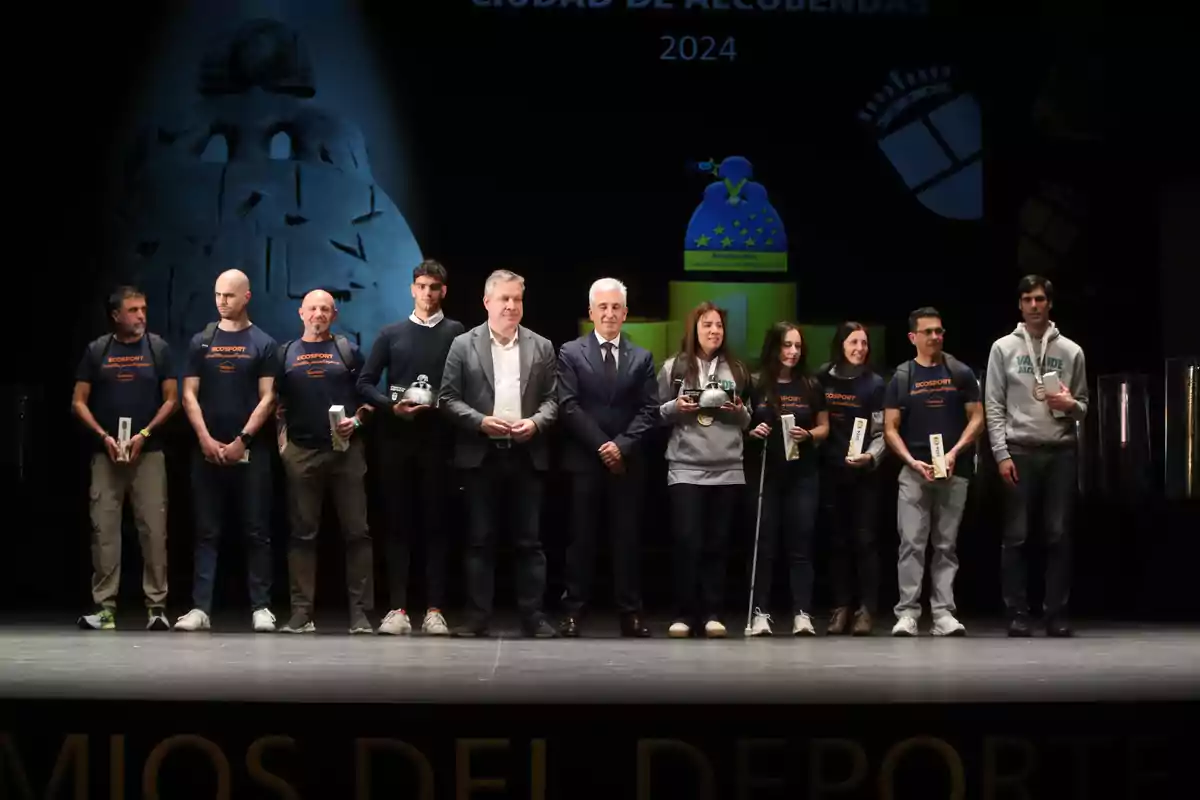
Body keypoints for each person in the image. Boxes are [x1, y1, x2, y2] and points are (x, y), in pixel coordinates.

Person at [438, 269, 558, 638]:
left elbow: (554, 400)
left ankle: (533, 617)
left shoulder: (542, 346)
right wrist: (480, 422)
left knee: (530, 542)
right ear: (487, 302)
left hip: (526, 454)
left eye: (517, 299)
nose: (511, 306)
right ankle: (477, 617)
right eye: (504, 299)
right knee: (479, 540)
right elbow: (447, 398)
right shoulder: (463, 344)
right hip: (480, 455)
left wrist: (536, 423)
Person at [358, 260, 465, 636]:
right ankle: (397, 609)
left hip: (439, 443)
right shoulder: (391, 334)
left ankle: (435, 609)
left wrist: (447, 405)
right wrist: (391, 407)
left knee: (437, 526)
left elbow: (466, 383)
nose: (427, 293)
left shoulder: (457, 333)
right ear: (411, 289)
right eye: (421, 286)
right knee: (398, 525)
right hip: (395, 443)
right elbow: (366, 383)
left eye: (434, 287)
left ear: (443, 292)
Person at [175, 269, 279, 632]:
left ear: (246, 297)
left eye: (229, 296)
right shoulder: (201, 342)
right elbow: (187, 394)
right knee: (206, 531)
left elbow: (269, 397)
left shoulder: (263, 343)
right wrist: (205, 438)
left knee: (256, 530)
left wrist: (242, 441)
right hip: (206, 452)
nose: (222, 302)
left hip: (250, 453)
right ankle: (200, 608)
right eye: (218, 295)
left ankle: (261, 607)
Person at [985, 275, 1088, 638]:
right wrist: (1000, 453)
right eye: (1027, 299)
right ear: (1019, 305)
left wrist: (1069, 404)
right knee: (1016, 535)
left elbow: (1084, 407)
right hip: (1020, 450)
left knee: (1058, 535)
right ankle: (1017, 613)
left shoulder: (1072, 351)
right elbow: (993, 404)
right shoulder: (1003, 348)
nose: (1033, 305)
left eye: (1040, 299)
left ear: (1050, 303)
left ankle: (1056, 613)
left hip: (1060, 450)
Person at [556, 278, 659, 638]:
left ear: (626, 313)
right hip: (584, 462)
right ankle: (572, 613)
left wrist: (622, 447)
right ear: (591, 312)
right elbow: (568, 407)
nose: (610, 313)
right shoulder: (570, 353)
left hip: (627, 465)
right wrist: (604, 446)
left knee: (627, 540)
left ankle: (631, 613)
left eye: (616, 307)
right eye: (603, 307)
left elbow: (649, 411)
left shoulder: (642, 357)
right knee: (580, 540)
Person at [73, 286, 178, 631]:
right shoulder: (98, 350)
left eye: (144, 309)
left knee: (154, 530)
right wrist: (103, 437)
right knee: (104, 530)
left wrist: (144, 435)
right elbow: (78, 401)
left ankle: (157, 608)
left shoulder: (158, 348)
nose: (141, 316)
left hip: (148, 454)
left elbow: (171, 399)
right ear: (116, 315)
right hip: (106, 455)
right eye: (133, 310)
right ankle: (105, 609)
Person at [275, 290, 374, 634]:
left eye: (325, 309)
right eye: (312, 308)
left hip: (346, 453)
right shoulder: (285, 353)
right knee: (302, 535)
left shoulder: (348, 352)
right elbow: (274, 403)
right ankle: (302, 613)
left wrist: (357, 422)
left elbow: (370, 398)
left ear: (334, 315)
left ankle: (360, 614)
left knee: (357, 534)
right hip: (301, 454)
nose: (318, 313)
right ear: (301, 313)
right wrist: (283, 443)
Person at [883, 306, 984, 637]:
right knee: (911, 543)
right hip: (914, 473)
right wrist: (912, 461)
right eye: (927, 332)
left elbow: (977, 418)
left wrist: (955, 452)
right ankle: (908, 613)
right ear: (913, 337)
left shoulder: (960, 372)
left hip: (954, 472)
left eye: (939, 331)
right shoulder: (902, 376)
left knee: (946, 545)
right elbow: (890, 428)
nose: (935, 337)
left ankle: (943, 613)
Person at [658, 301, 752, 638]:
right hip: (685, 468)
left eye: (718, 326)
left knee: (718, 544)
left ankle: (713, 612)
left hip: (727, 468)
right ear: (694, 329)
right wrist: (675, 406)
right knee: (687, 542)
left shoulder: (737, 370)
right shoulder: (675, 367)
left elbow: (748, 420)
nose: (713, 331)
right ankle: (683, 613)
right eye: (706, 325)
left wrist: (739, 409)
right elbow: (655, 412)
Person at [746, 323, 829, 637]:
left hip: (803, 474)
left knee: (801, 545)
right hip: (765, 473)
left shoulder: (810, 384)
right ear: (774, 347)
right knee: (763, 544)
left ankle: (802, 613)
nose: (793, 352)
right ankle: (759, 613)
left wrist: (809, 434)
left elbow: (824, 428)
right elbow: (741, 423)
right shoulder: (755, 383)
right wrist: (753, 432)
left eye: (797, 346)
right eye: (787, 345)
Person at [816, 322, 887, 636]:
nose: (860, 348)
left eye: (864, 343)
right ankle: (841, 606)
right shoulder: (822, 378)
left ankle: (867, 609)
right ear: (840, 345)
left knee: (865, 540)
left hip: (864, 474)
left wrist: (870, 456)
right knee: (836, 542)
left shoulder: (875, 384)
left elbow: (882, 431)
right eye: (853, 342)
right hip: (830, 472)